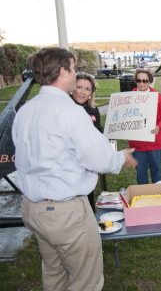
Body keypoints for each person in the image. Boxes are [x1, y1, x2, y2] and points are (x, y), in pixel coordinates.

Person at [12, 47, 138, 291]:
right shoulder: (70, 111)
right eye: (73, 68)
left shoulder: (26, 111)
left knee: (54, 274)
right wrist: (120, 157)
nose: (76, 73)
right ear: (62, 71)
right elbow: (98, 158)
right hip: (65, 213)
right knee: (85, 281)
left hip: (34, 208)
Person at [128, 69, 161, 184]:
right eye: (138, 80)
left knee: (156, 171)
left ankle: (157, 197)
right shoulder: (128, 98)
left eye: (145, 80)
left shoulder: (159, 98)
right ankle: (143, 198)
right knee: (141, 173)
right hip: (137, 143)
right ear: (135, 81)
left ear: (150, 81)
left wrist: (158, 126)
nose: (141, 83)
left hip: (155, 142)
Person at [71, 72, 101, 211]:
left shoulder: (94, 111)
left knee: (88, 199)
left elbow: (99, 135)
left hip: (89, 164)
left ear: (91, 93)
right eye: (79, 87)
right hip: (69, 164)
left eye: (87, 89)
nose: (83, 92)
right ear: (72, 88)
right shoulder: (63, 108)